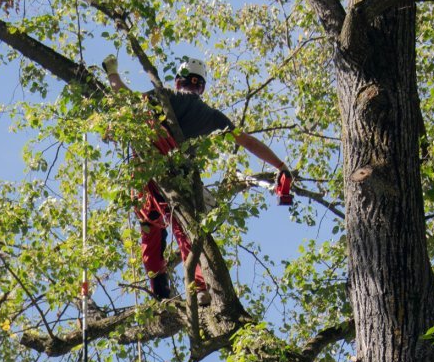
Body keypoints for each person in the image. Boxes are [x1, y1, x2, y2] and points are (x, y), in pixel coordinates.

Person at [102, 56, 292, 301]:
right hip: (177, 179)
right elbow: (247, 141)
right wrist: (281, 165)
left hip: (145, 181)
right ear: (201, 86)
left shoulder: (163, 97)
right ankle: (199, 287)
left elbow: (125, 100)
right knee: (186, 231)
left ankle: (161, 295)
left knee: (150, 235)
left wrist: (112, 74)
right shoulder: (210, 115)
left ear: (178, 81)